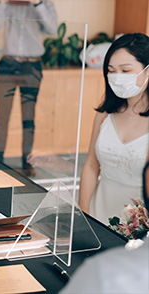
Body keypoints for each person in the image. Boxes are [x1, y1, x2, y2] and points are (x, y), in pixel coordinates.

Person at [79, 33, 149, 225]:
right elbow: (91, 167)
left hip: (140, 224)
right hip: (98, 212)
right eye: (111, 70)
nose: (117, 77)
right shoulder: (104, 115)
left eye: (125, 71)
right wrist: (83, 215)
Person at [60, 160, 149, 294]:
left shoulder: (106, 274)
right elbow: (90, 165)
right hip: (100, 204)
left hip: (129, 208)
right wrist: (83, 217)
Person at [0, 0, 57, 176]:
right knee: (2, 116)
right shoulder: (9, 3)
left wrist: (38, 4)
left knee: (29, 117)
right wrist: (2, 2)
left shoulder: (46, 4)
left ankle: (27, 161)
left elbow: (52, 29)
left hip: (31, 66)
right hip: (7, 64)